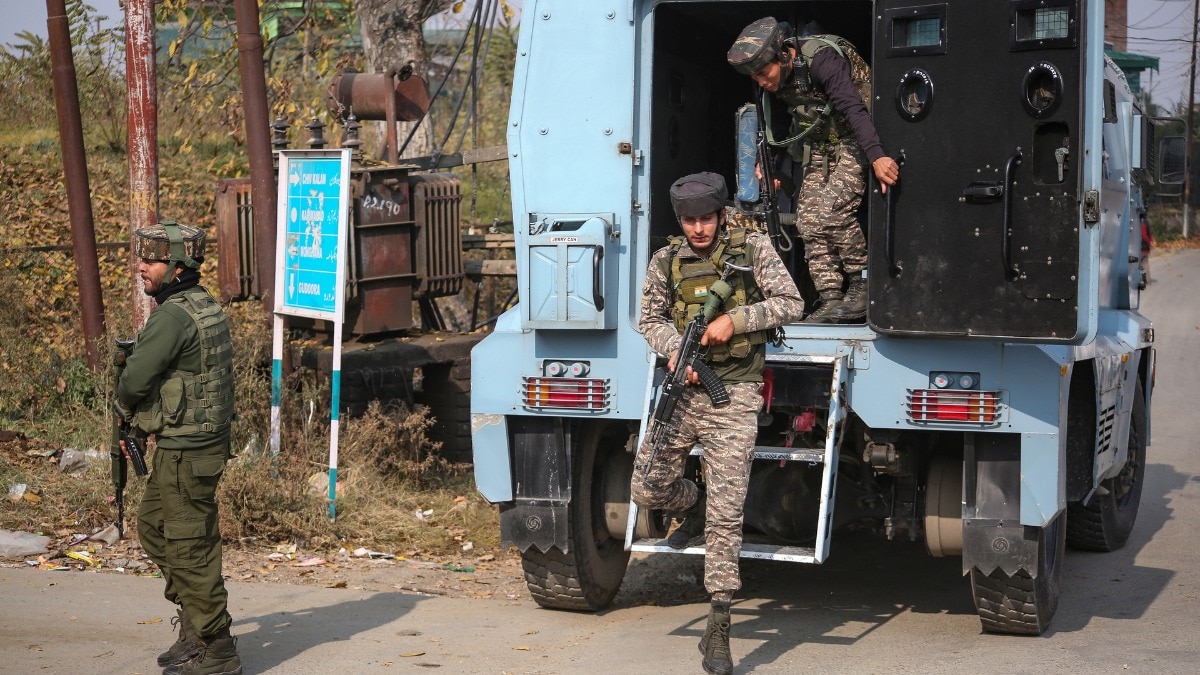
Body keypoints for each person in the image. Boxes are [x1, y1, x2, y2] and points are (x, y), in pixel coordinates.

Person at [632, 173, 804, 675]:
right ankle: (694, 499)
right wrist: (673, 351)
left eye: (707, 218)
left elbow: (791, 303)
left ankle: (720, 624)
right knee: (648, 489)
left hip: (735, 394)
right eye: (690, 220)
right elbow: (649, 319)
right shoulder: (665, 260)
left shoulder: (752, 249)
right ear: (679, 220)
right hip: (683, 393)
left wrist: (738, 320)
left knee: (727, 519)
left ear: (721, 214)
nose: (700, 228)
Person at [115, 222, 241, 675]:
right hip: (188, 445)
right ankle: (195, 621)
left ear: (178, 265)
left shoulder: (172, 316)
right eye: (142, 258)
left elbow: (134, 379)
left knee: (190, 548)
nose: (141, 267)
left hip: (189, 449)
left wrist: (126, 404)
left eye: (151, 259)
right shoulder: (202, 303)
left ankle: (217, 648)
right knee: (152, 527)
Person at [728, 17, 900, 323]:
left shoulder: (822, 61)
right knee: (807, 220)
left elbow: (853, 108)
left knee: (832, 212)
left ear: (783, 55)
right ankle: (831, 297)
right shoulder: (772, 81)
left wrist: (876, 155)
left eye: (764, 74)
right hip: (820, 145)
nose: (763, 82)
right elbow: (776, 125)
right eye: (755, 78)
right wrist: (767, 163)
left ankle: (861, 284)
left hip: (856, 138)